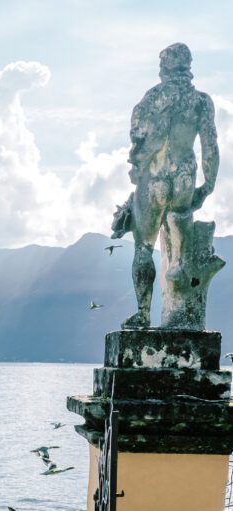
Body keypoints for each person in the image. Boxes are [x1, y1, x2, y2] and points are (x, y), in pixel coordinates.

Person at [112, 42, 219, 328]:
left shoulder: (151, 99)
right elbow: (210, 147)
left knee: (144, 247)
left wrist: (138, 167)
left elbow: (138, 135)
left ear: (164, 69)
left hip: (155, 177)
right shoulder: (201, 102)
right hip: (185, 175)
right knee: (179, 229)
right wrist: (207, 185)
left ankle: (143, 314)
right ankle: (179, 278)